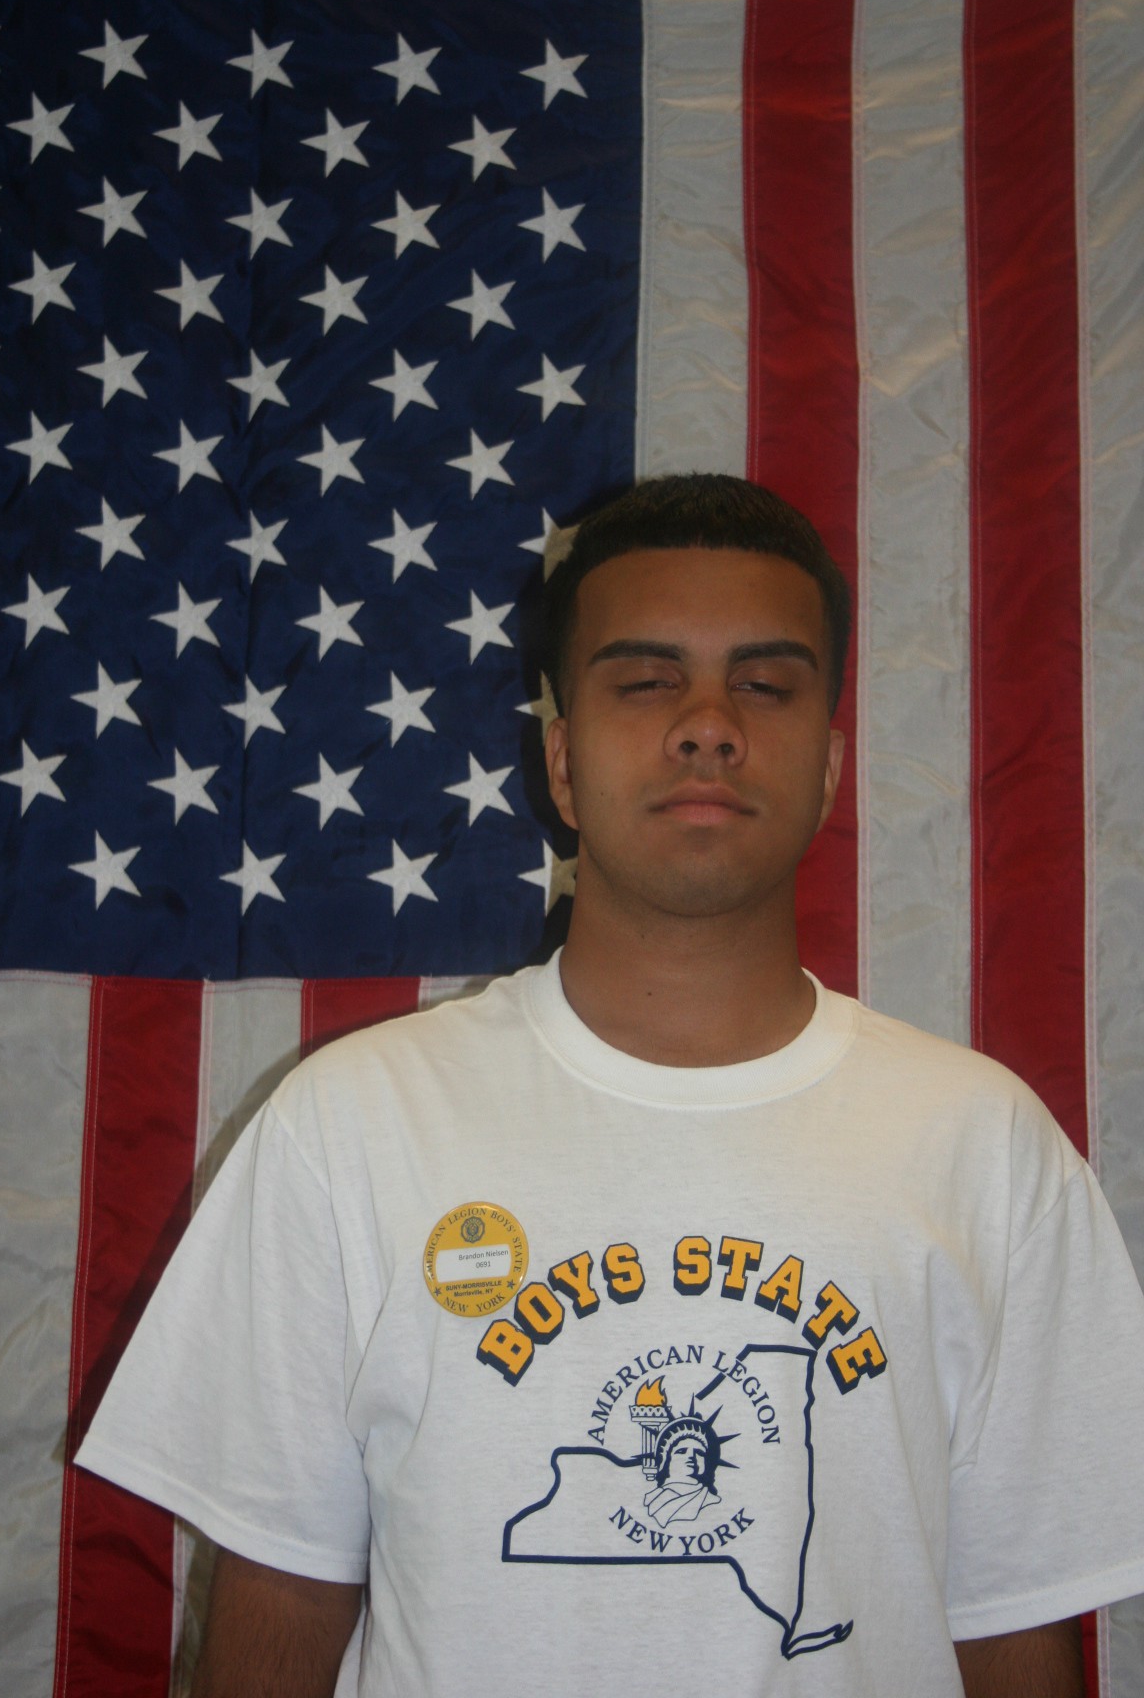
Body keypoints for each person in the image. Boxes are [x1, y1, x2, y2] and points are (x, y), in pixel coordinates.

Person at [77, 474, 1144, 1697]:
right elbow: (283, 1588)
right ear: (564, 762)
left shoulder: (986, 1145)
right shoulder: (353, 1121)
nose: (708, 726)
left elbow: (1014, 1622)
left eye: (765, 684)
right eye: (646, 682)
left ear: (831, 766)